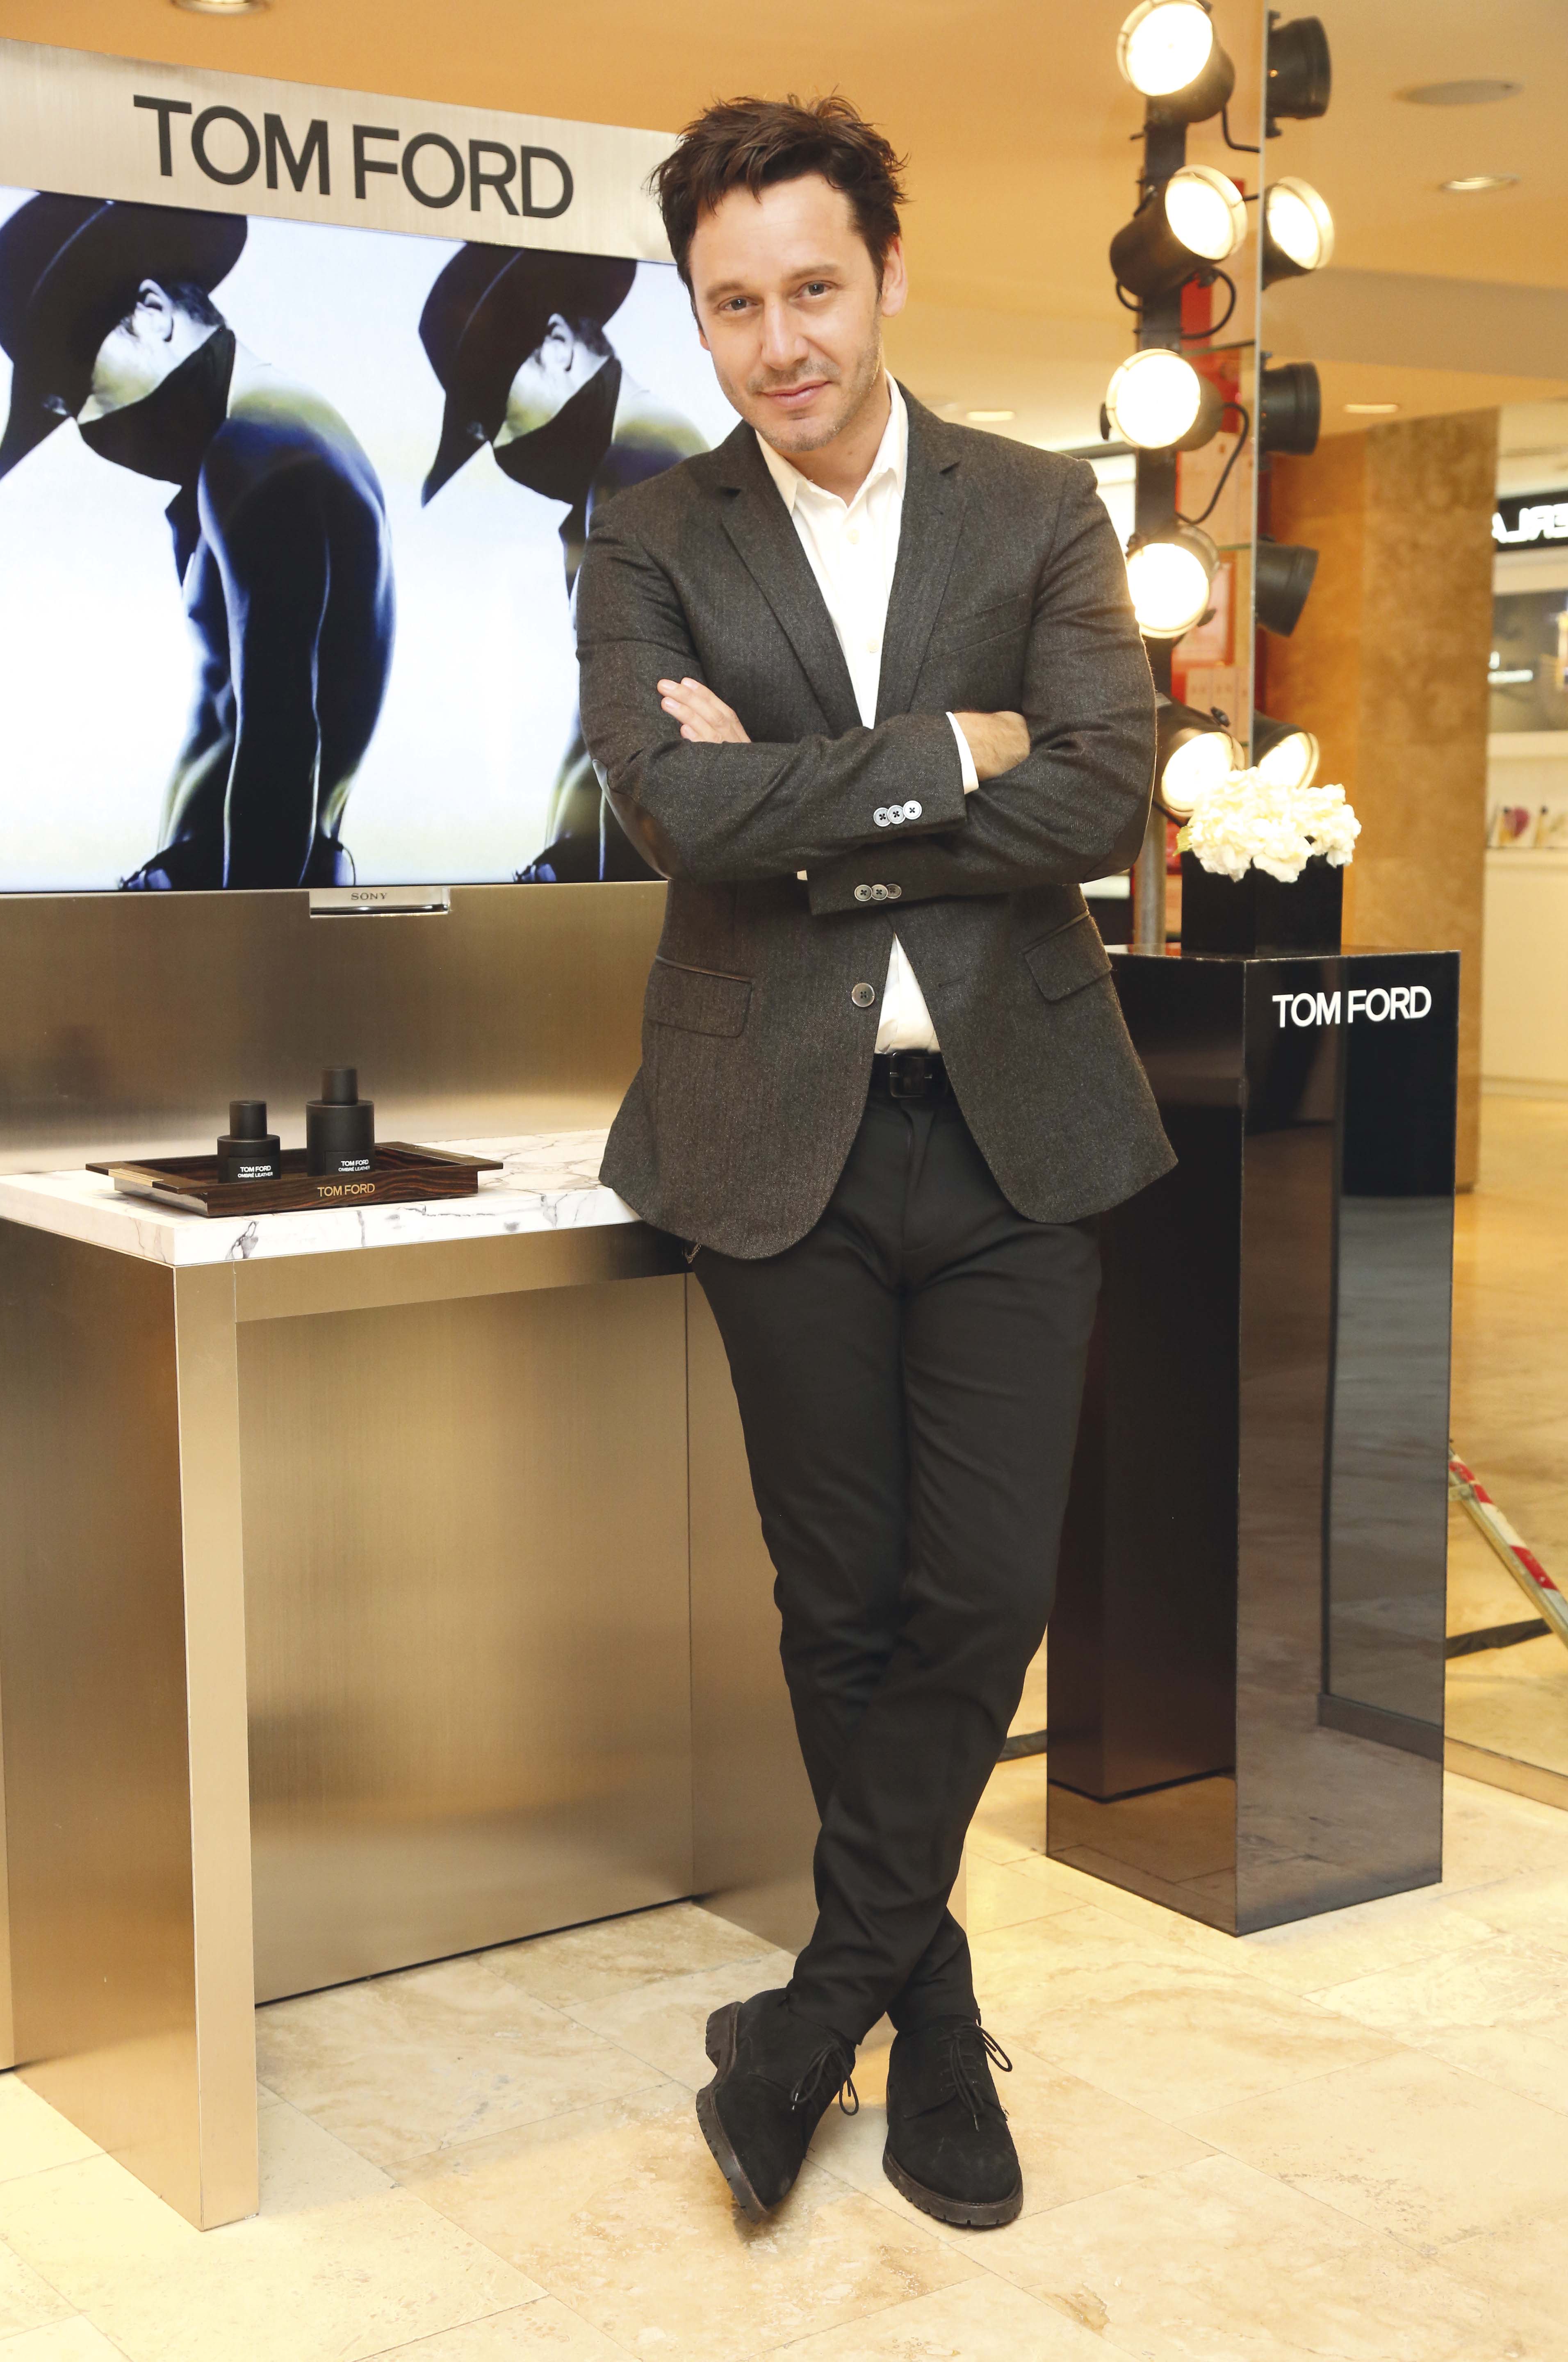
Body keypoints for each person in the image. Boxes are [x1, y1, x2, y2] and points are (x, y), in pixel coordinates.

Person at [576, 95, 1174, 2232]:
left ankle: (815, 2015)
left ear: (889, 275)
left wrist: (808, 805)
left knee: (983, 1593)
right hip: (773, 1142)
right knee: (838, 1607)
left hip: (1019, 1131)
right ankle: (933, 2029)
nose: (780, 343)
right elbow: (673, 813)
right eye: (733, 305)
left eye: (814, 290)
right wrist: (943, 757)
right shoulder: (649, 535)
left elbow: (1100, 797)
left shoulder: (1037, 507)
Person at [0, 194, 394, 890]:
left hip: (240, 892)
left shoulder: (253, 450)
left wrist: (244, 931)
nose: (91, 424)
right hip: (244, 883)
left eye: (83, 386)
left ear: (152, 312)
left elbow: (279, 736)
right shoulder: (287, 427)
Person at [418, 243, 705, 881]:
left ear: (557, 345)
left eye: (497, 412)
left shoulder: (637, 473)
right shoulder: (651, 460)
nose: (505, 446)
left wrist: (586, 884)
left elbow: (640, 737)